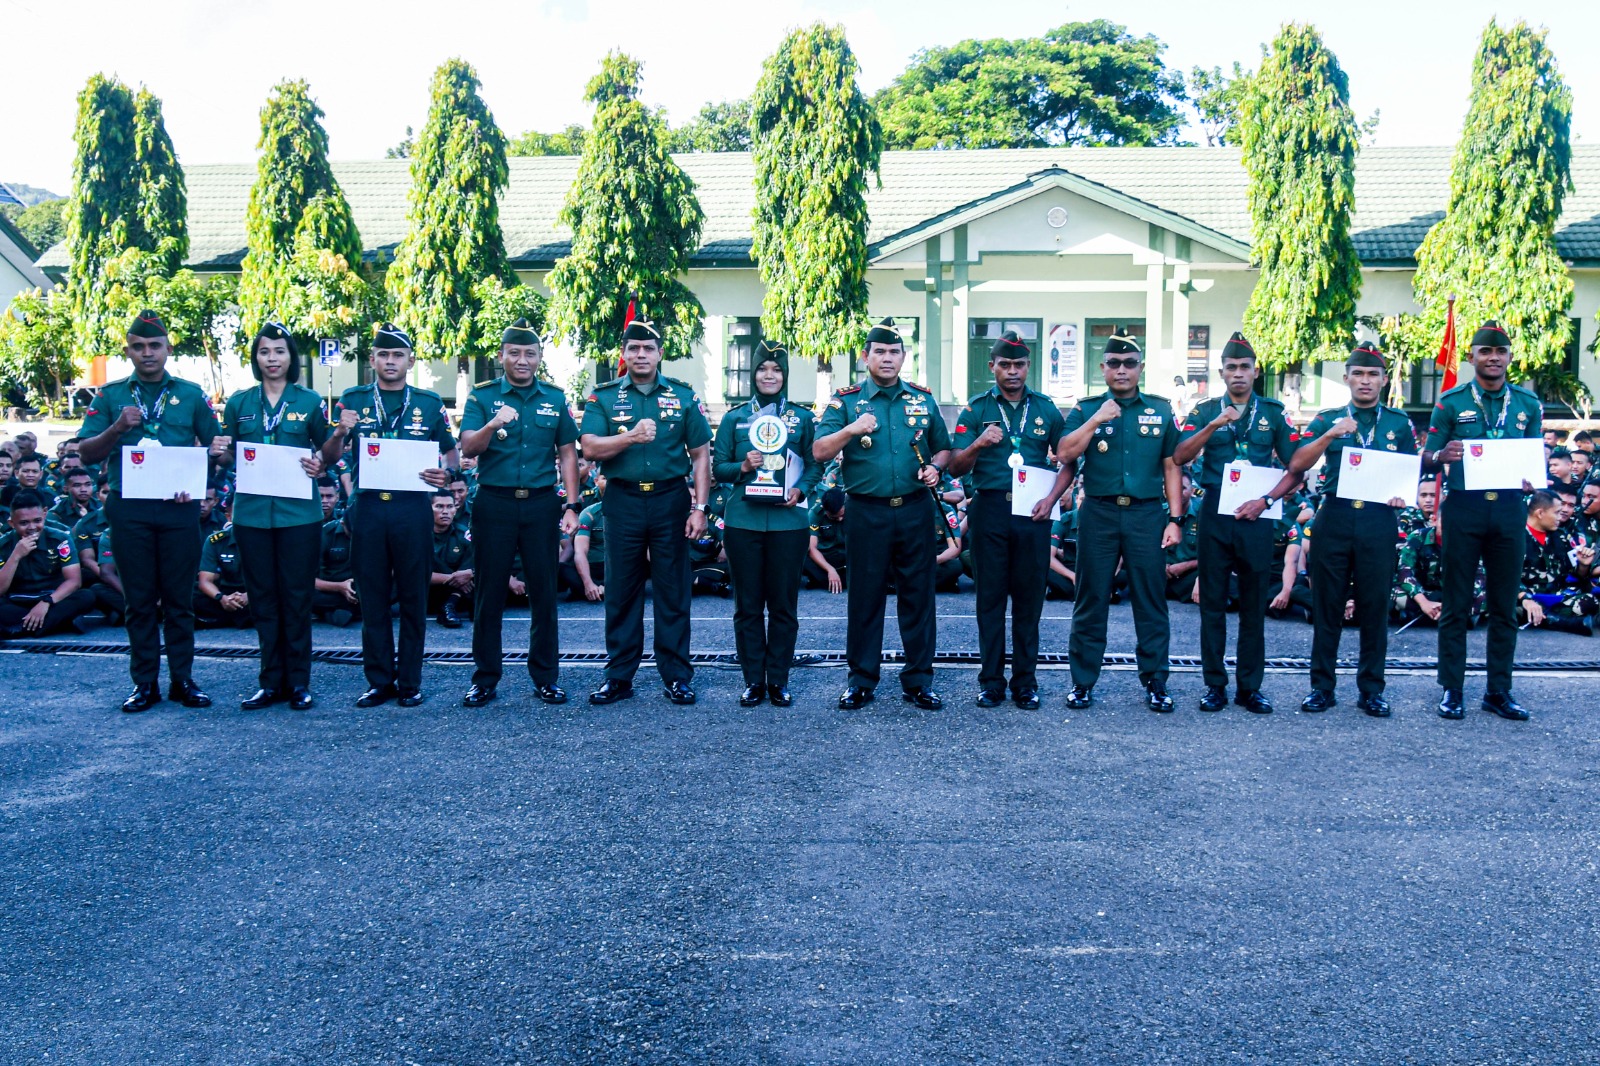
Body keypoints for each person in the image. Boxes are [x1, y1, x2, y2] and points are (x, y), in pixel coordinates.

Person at [77, 310, 222, 713]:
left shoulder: (191, 394)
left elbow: (217, 449)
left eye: (154, 345)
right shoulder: (109, 396)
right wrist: (118, 428)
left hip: (178, 509)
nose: (147, 353)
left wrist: (197, 478)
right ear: (128, 351)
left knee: (179, 600)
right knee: (139, 600)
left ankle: (183, 680)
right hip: (130, 509)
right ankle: (144, 683)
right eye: (138, 347)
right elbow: (86, 453)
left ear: (168, 349)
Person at [1267, 342, 1416, 717]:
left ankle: (1371, 690)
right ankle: (1321, 687)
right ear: (1346, 377)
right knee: (1327, 605)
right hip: (1334, 515)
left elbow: (1409, 473)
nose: (1365, 381)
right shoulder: (1327, 418)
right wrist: (1331, 434)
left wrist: (1402, 497)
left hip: (1379, 519)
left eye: (1373, 374)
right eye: (1358, 374)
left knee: (1374, 606)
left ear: (1383, 380)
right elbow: (1297, 464)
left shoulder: (1399, 422)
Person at [814, 318, 953, 711]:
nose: (888, 358)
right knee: (865, 599)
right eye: (880, 351)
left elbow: (943, 448)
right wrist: (851, 430)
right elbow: (820, 450)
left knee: (918, 598)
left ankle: (919, 681)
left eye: (894, 352)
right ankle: (861, 681)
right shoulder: (847, 400)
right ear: (866, 357)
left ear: (903, 357)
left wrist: (936, 469)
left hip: (914, 510)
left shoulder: (922, 399)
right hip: (866, 512)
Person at [578, 318, 713, 705]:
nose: (640, 355)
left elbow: (701, 454)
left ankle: (676, 675)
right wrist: (631, 436)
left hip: (671, 498)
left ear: (659, 354)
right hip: (622, 499)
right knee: (622, 589)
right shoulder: (602, 397)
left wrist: (700, 507)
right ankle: (619, 676)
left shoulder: (684, 397)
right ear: (623, 354)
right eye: (633, 348)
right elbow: (589, 448)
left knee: (673, 589)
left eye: (648, 348)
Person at [322, 323, 457, 708]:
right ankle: (379, 680)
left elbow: (450, 452)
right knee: (373, 597)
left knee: (414, 596)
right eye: (383, 355)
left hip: (412, 508)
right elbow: (330, 457)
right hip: (368, 508)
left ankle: (410, 682)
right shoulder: (353, 399)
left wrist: (447, 474)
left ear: (410, 360)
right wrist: (337, 433)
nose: (390, 361)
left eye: (398, 355)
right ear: (372, 360)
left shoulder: (429, 404)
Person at [1421, 321, 1545, 721]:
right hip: (1464, 508)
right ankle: (1452, 690)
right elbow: (1426, 455)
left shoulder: (1528, 404)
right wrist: (1442, 457)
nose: (1493, 358)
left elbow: (1534, 457)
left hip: (1510, 508)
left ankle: (1499, 690)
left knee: (1505, 604)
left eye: (1501, 352)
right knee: (1456, 602)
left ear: (1509, 357)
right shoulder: (1451, 401)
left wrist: (1532, 478)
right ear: (1472, 356)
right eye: (1485, 352)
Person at [1172, 332, 1300, 714]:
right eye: (1232, 368)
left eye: (1245, 367)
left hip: (1257, 516)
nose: (1239, 373)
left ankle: (1250, 687)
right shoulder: (1205, 410)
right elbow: (1180, 455)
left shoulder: (1274, 413)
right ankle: (1214, 685)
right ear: (1221, 372)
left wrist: (1267, 501)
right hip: (1214, 514)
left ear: (1256, 371)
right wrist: (1214, 425)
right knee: (1212, 603)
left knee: (1252, 606)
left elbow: (1296, 467)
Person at [456, 318, 581, 706]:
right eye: (515, 353)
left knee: (544, 593)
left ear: (540, 358)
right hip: (494, 503)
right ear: (502, 356)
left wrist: (573, 504)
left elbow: (567, 453)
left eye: (530, 353)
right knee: (489, 593)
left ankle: (546, 677)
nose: (522, 360)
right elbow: (469, 449)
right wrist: (494, 423)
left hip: (542, 503)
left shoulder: (554, 399)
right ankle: (485, 678)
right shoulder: (482, 397)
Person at [943, 330, 1070, 709]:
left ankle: (1025, 682)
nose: (1012, 371)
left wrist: (1052, 500)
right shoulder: (977, 409)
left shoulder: (1046, 408)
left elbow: (1067, 460)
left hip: (1034, 512)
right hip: (990, 509)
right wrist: (980, 443)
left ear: (1028, 366)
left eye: (1018, 364)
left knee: (1030, 600)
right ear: (992, 366)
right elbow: (954, 463)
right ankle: (991, 682)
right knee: (990, 599)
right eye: (1005, 364)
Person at [1056, 334, 1184, 711]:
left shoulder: (1160, 411)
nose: (1122, 369)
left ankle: (1156, 681)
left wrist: (1175, 518)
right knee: (1091, 597)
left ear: (1140, 368)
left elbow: (1171, 466)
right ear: (1103, 369)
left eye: (1129, 363)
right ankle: (1082, 682)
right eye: (1114, 363)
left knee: (1150, 599)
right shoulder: (1086, 409)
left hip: (1146, 513)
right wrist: (1098, 418)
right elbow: (1065, 453)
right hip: (1098, 511)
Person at [217, 323, 330, 711]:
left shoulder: (310, 401)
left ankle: (299, 682)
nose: (272, 360)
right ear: (256, 358)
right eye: (264, 352)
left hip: (299, 513)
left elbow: (327, 450)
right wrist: (219, 451)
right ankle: (270, 682)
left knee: (297, 598)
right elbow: (228, 454)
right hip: (252, 514)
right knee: (263, 599)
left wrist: (320, 462)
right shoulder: (239, 403)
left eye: (279, 352)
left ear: (290, 358)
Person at [713, 341, 822, 707]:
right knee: (746, 606)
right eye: (763, 369)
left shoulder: (803, 419)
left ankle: (778, 680)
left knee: (783, 606)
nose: (769, 375)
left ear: (785, 375)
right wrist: (744, 467)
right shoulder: (734, 418)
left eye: (776, 370)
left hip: (788, 523)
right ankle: (752, 681)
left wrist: (801, 490)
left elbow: (814, 463)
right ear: (753, 374)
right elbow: (720, 467)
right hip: (743, 521)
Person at [0, 490, 96, 637]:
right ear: (11, 523)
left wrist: (46, 603)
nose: (32, 527)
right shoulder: (4, 544)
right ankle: (57, 623)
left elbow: (74, 581)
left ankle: (21, 628)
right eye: (24, 523)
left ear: (45, 514)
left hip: (54, 600)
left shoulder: (60, 539)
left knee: (87, 596)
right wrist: (15, 556)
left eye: (37, 521)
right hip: (19, 601)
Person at [1519, 489, 1599, 634]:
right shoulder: (1514, 537)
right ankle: (1556, 620)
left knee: (1590, 601)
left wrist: (1583, 565)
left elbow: (1574, 576)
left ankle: (1546, 617)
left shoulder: (1561, 537)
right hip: (1522, 598)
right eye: (1556, 512)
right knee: (1503, 605)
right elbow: (1501, 576)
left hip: (1554, 597)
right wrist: (1525, 598)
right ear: (1540, 513)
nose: (1560, 517)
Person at [427, 490, 474, 627]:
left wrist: (469, 574)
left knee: (475, 561)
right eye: (439, 506)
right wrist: (454, 578)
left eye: (450, 507)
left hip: (457, 593)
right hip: (427, 591)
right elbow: (412, 573)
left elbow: (481, 563)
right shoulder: (418, 534)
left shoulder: (463, 533)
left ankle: (449, 605)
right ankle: (450, 604)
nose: (445, 511)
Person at [195, 521, 251, 629]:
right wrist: (221, 598)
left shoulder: (265, 539)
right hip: (223, 593)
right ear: (229, 516)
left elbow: (274, 578)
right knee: (190, 595)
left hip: (257, 593)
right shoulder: (216, 540)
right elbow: (205, 581)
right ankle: (240, 617)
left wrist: (249, 596)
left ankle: (222, 619)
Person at [803, 489, 848, 592]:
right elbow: (812, 549)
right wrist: (830, 569)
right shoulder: (815, 513)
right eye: (834, 517)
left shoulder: (853, 509)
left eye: (842, 515)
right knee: (802, 557)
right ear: (824, 509)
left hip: (848, 556)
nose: (840, 519)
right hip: (826, 557)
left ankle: (824, 581)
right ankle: (838, 580)